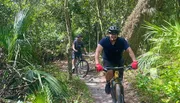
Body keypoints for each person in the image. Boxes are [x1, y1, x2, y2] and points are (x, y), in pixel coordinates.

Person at [95, 25, 138, 94]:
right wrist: (97, 63)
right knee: (110, 72)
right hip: (108, 60)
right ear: (109, 34)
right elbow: (98, 51)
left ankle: (121, 96)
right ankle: (108, 83)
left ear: (117, 35)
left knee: (120, 79)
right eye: (111, 34)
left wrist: (134, 61)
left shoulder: (122, 41)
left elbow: (130, 51)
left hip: (119, 60)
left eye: (115, 34)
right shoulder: (104, 40)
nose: (113, 35)